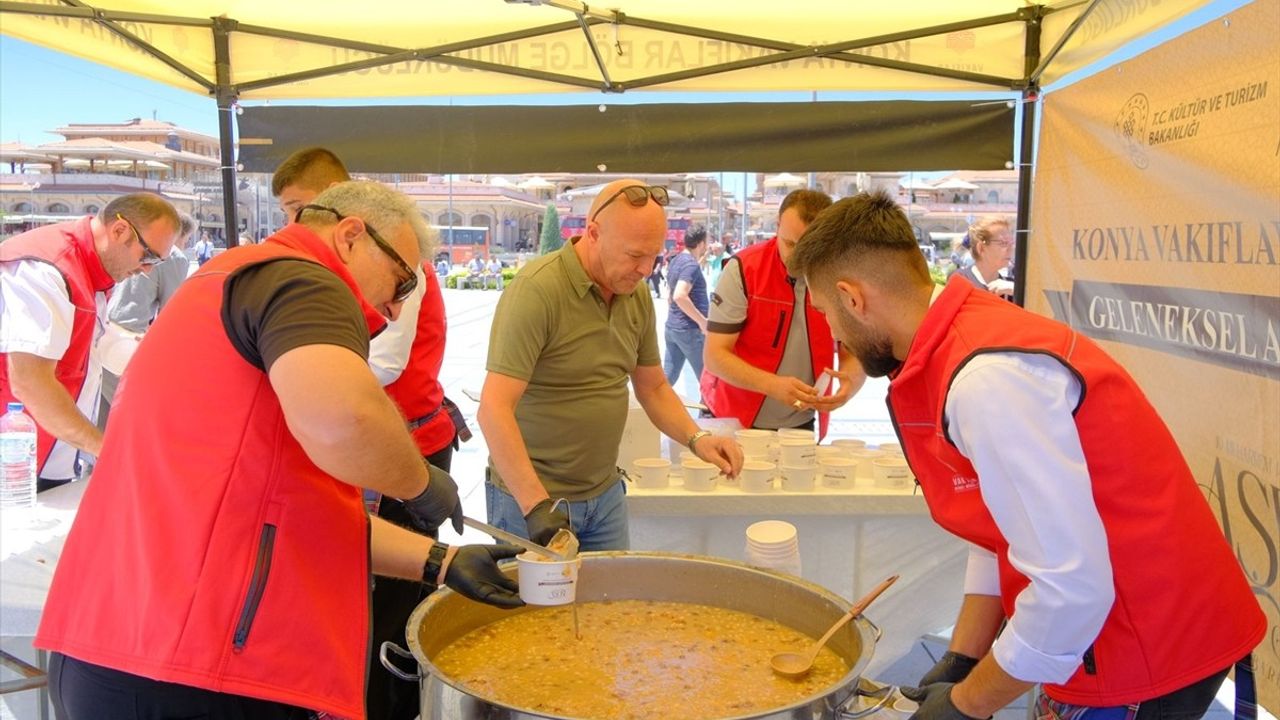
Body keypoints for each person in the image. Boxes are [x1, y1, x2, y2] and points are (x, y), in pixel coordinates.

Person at [35, 181, 521, 720]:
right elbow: (346, 420)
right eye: (402, 279)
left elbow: (283, 514)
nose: (395, 307)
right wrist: (421, 483)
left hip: (114, 648)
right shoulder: (300, 279)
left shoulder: (224, 280)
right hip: (192, 669)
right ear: (350, 237)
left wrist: (441, 561)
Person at [788, 189, 1264, 720]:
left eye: (826, 313)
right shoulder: (960, 336)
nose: (833, 331)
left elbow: (1070, 590)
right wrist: (963, 658)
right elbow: (1001, 525)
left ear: (853, 298)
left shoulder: (987, 380)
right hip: (1129, 623)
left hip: (1143, 641)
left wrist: (967, 704)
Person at [272, 147, 469, 720]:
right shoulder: (290, 280)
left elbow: (379, 366)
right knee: (352, 592)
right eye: (288, 213)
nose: (296, 225)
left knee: (391, 612)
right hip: (369, 455)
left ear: (345, 216)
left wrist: (421, 493)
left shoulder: (397, 262)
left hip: (405, 449)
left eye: (303, 208)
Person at [478, 180, 743, 551]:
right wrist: (535, 505)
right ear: (593, 233)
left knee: (613, 591)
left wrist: (697, 439)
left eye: (654, 256)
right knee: (536, 594)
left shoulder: (634, 295)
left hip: (605, 497)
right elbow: (494, 408)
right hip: (531, 498)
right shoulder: (537, 290)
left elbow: (653, 387)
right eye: (634, 255)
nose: (646, 269)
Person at [1, 193, 180, 491]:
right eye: (147, 256)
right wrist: (106, 449)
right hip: (18, 464)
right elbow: (30, 382)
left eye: (157, 262)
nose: (147, 269)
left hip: (50, 458)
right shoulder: (46, 268)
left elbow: (92, 348)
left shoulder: (92, 268)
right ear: (120, 230)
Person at [701, 189, 863, 438]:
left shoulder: (840, 275)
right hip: (733, 418)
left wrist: (848, 384)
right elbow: (715, 356)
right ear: (777, 226)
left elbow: (853, 349)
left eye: (809, 247)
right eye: (790, 244)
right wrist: (773, 385)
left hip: (801, 421)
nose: (798, 257)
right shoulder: (744, 269)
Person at [97, 211, 196, 425]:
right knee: (137, 421)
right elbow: (172, 313)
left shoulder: (132, 247)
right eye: (187, 240)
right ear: (179, 235)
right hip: (129, 340)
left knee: (104, 423)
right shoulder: (174, 257)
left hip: (104, 332)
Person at [664, 225, 709, 389]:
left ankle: (650, 404)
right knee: (708, 380)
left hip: (673, 327)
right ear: (701, 243)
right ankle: (708, 407)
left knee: (667, 378)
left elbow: (670, 295)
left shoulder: (676, 260)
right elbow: (679, 295)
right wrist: (702, 321)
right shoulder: (691, 265)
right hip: (690, 330)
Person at [956, 216, 1015, 300]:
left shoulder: (1010, 287)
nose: (1010, 249)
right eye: (1003, 243)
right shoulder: (961, 280)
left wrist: (1015, 290)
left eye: (1011, 243)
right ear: (981, 248)